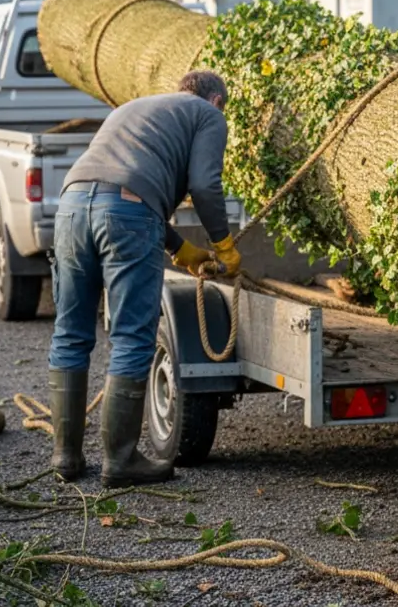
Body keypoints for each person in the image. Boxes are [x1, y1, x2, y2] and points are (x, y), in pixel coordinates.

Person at [47, 71, 242, 488]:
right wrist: (223, 244)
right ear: (217, 101)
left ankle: (66, 458)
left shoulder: (135, 108)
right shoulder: (209, 116)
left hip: (70, 207)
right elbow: (205, 185)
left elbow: (119, 183)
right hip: (126, 213)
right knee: (133, 336)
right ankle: (120, 460)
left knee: (70, 333)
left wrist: (178, 248)